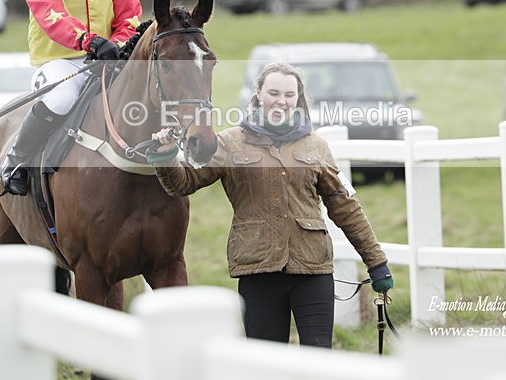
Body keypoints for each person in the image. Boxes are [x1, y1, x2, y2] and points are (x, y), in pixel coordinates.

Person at [147, 62, 394, 348]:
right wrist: (166, 155)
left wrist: (377, 263)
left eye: (289, 94)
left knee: (319, 358)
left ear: (298, 97)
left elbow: (346, 207)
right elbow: (183, 184)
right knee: (265, 361)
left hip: (313, 270)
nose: (281, 101)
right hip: (258, 271)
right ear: (258, 93)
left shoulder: (316, 146)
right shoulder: (229, 143)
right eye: (273, 93)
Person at [0, 0, 143, 196]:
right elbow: (55, 20)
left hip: (107, 57)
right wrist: (93, 42)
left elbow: (129, 18)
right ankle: (17, 159)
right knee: (62, 98)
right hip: (59, 63)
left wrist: (116, 46)